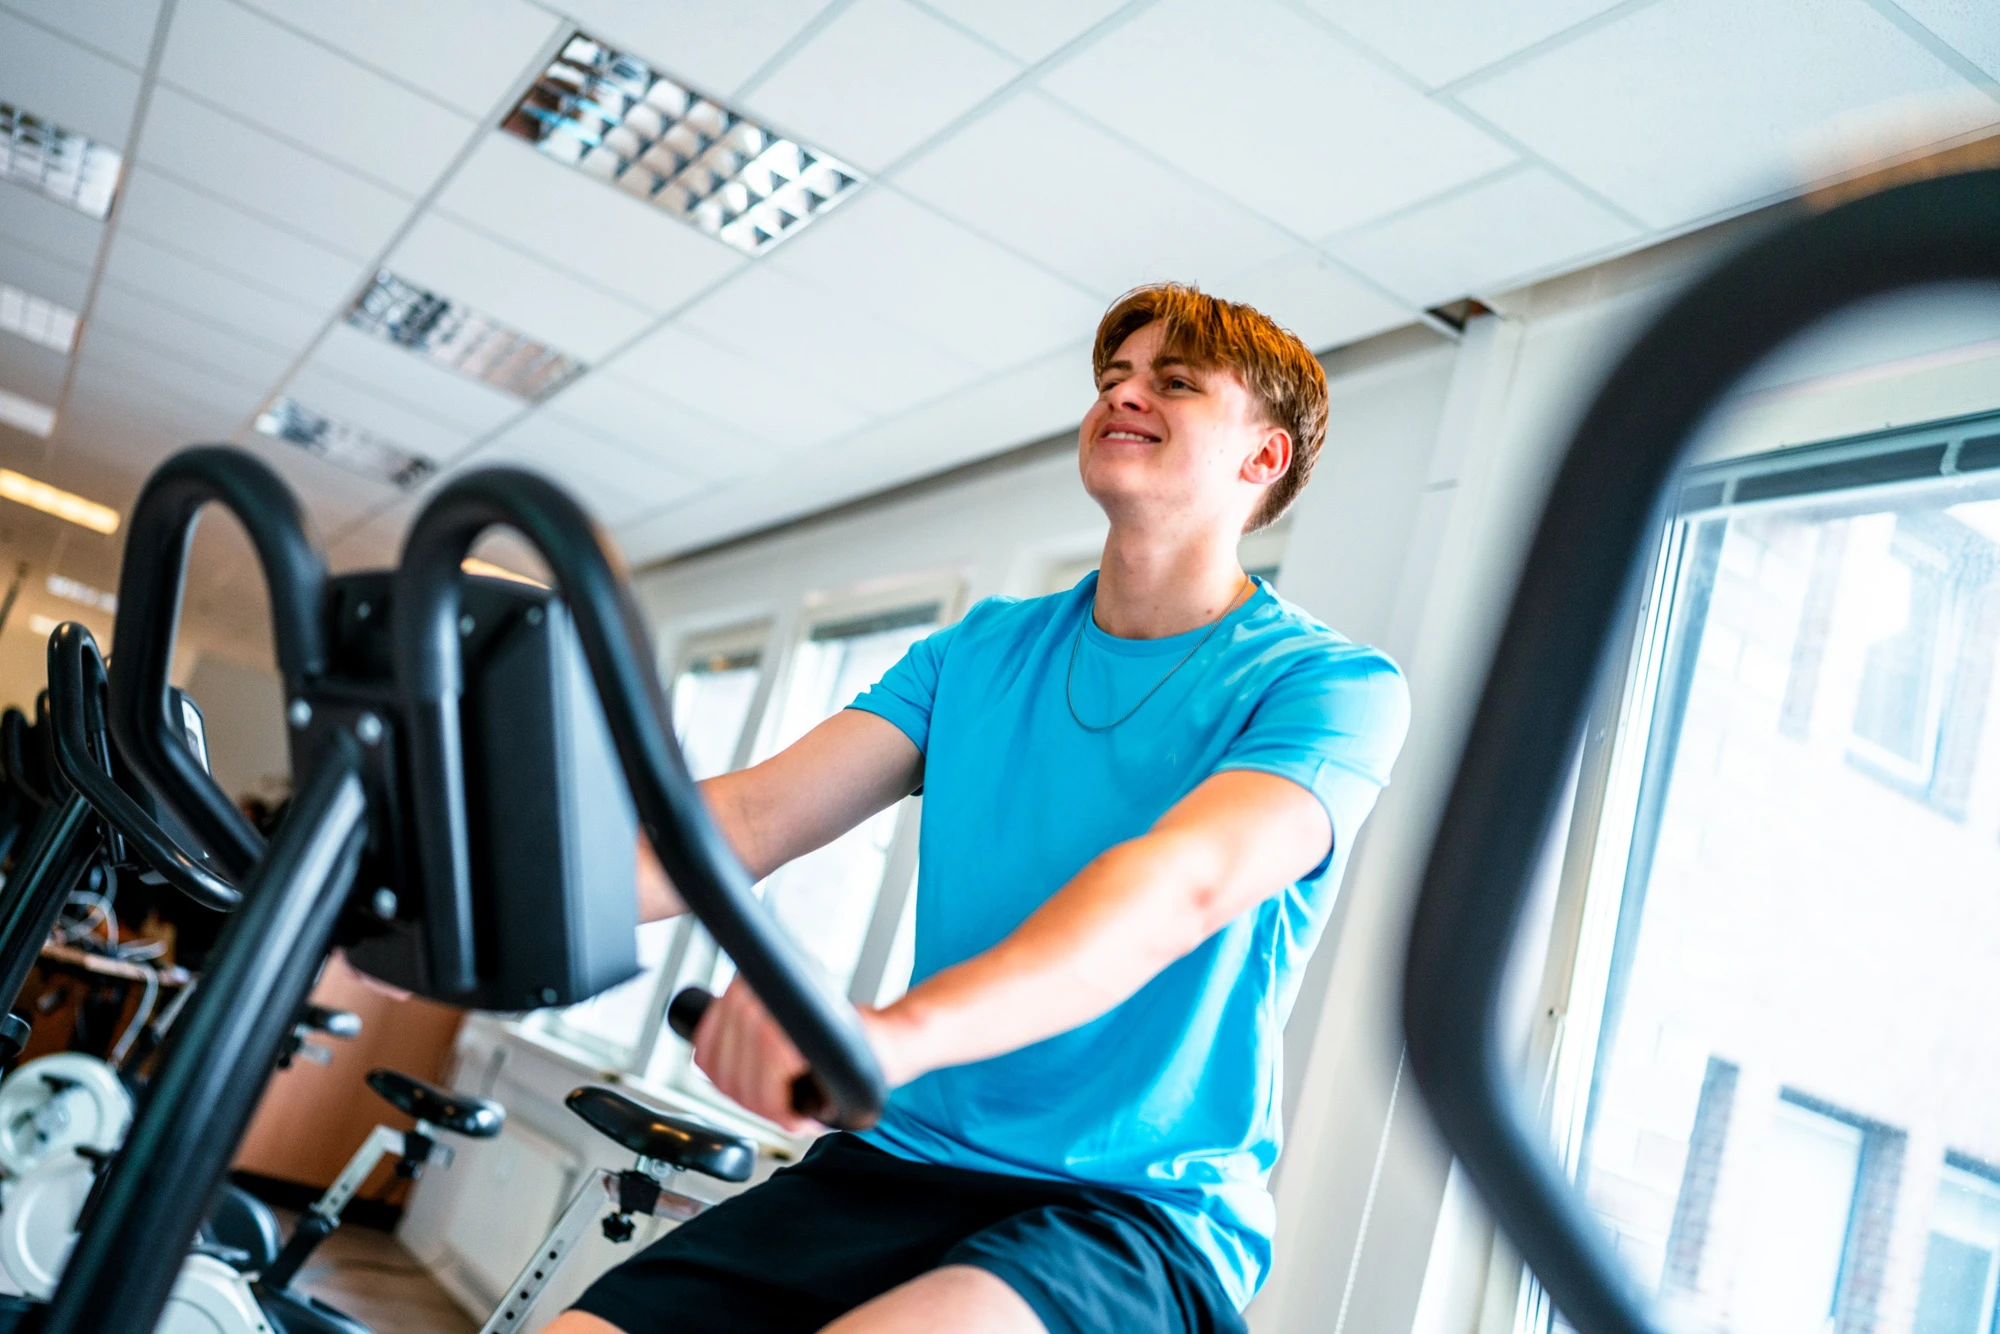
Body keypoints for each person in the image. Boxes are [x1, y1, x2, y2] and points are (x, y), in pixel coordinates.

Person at [545, 284, 1410, 1334]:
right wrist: (478, 911)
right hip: (899, 1158)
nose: (1123, 393)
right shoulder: (976, 651)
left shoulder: (1325, 686)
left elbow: (1176, 885)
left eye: (1171, 381)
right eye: (1111, 378)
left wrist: (888, 1037)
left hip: (1130, 1208)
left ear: (1262, 459)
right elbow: (746, 820)